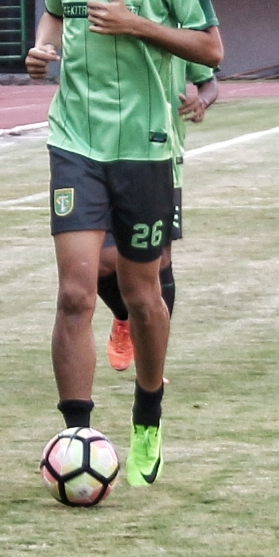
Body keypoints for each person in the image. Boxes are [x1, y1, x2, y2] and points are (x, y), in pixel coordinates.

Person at [25, 0, 223, 486]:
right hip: (74, 140)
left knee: (142, 292)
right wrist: (44, 45)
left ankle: (147, 414)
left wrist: (137, 24)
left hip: (145, 144)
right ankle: (76, 427)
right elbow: (55, 8)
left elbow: (210, 49)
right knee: (76, 291)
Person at [101, 62, 218, 372]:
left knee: (161, 261)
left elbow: (210, 83)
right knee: (100, 261)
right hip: (104, 153)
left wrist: (202, 101)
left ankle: (154, 363)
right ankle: (124, 318)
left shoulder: (176, 35)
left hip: (164, 156)